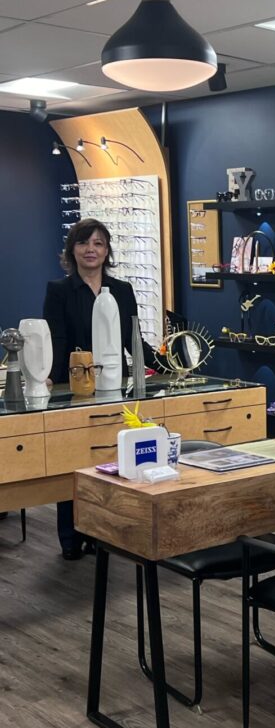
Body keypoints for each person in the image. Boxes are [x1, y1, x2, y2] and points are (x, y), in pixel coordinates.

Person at [43, 218, 157, 559]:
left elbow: (132, 339)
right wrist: (50, 377)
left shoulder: (121, 290)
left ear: (107, 251)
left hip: (116, 386)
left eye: (98, 244)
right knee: (75, 458)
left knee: (110, 457)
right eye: (83, 243)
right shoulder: (59, 290)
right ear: (72, 250)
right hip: (73, 386)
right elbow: (56, 339)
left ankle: (103, 531)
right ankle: (71, 535)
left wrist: (164, 362)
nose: (91, 250)